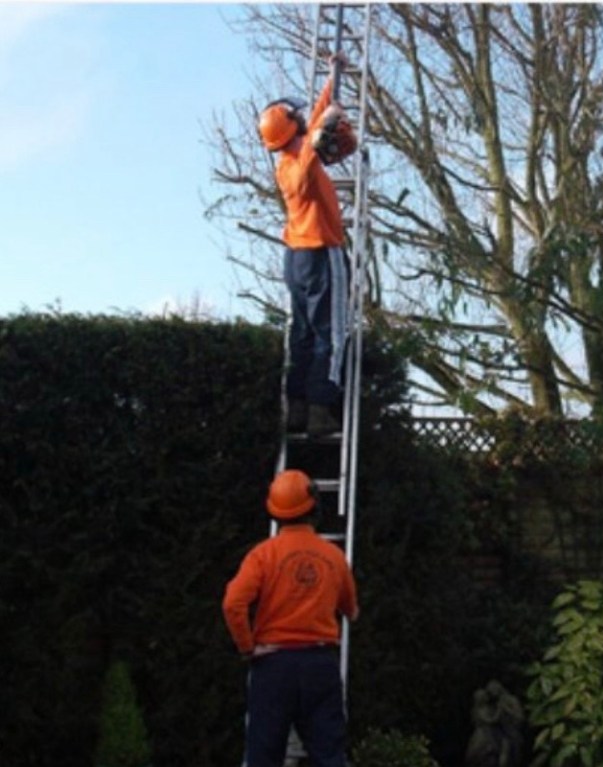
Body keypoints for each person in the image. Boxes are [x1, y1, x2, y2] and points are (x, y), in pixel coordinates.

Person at [223, 469, 359, 767]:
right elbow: (352, 611)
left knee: (264, 756)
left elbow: (233, 603)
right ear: (314, 508)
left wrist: (247, 647)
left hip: (273, 667)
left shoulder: (262, 555)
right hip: (320, 665)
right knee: (329, 757)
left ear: (275, 512)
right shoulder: (334, 556)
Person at [258, 56, 356, 437]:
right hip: (321, 253)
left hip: (296, 258)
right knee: (331, 332)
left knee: (301, 332)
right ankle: (319, 407)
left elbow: (317, 118)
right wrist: (322, 132)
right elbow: (314, 145)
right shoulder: (296, 165)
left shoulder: (291, 156)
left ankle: (297, 405)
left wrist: (333, 78)